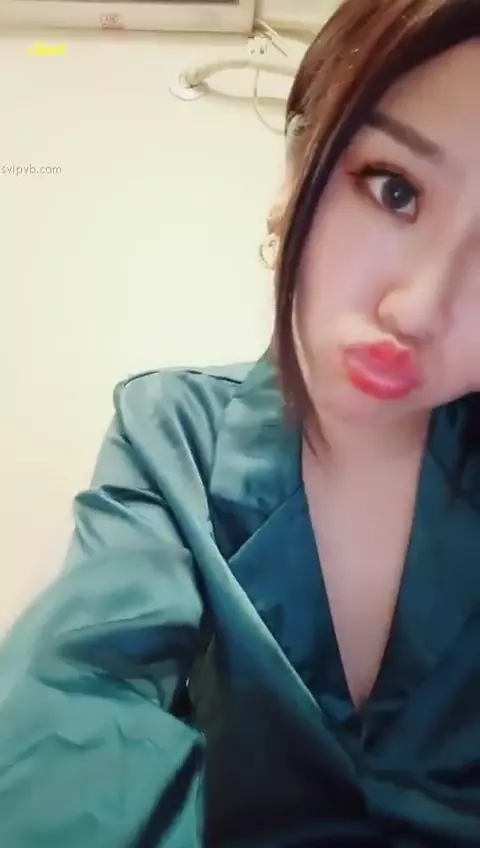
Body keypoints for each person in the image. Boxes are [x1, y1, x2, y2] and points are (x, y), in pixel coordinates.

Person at [1, 1, 480, 845]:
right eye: (394, 190)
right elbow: (78, 700)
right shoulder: (172, 433)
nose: (418, 307)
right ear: (299, 168)